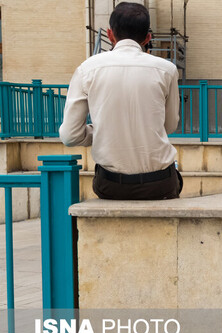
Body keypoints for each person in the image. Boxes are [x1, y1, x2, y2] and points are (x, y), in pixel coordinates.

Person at [59, 2, 181, 200]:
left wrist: (100, 130)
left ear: (110, 34)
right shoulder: (166, 70)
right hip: (159, 184)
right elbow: (169, 126)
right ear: (148, 37)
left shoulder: (87, 69)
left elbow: (69, 136)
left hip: (111, 184)